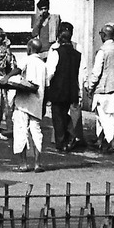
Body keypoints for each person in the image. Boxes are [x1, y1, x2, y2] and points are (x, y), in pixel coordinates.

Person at [85, 24, 114, 154]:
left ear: (103, 35)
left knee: (104, 117)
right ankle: (100, 141)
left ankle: (112, 143)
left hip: (103, 89)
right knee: (113, 116)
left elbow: (96, 73)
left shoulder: (102, 51)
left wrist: (90, 87)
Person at [10, 36, 50, 172]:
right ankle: (38, 164)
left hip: (23, 102)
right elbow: (47, 86)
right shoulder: (44, 65)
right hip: (37, 102)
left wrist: (6, 78)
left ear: (29, 48)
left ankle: (23, 164)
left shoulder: (26, 59)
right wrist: (44, 104)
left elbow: (17, 70)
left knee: (20, 131)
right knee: (36, 132)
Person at [46, 24, 82, 152]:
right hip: (71, 88)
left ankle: (62, 142)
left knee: (58, 116)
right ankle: (70, 136)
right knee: (64, 113)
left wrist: (45, 86)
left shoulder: (56, 52)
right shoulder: (77, 54)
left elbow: (50, 72)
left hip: (58, 88)